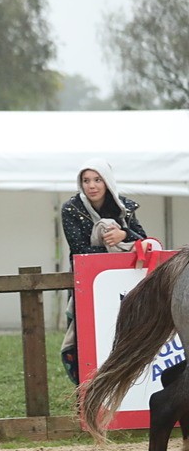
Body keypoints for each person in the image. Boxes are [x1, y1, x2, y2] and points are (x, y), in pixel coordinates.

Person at [59, 159, 147, 383]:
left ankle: (128, 383)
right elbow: (79, 250)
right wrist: (112, 246)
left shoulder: (123, 207)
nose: (92, 186)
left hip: (124, 283)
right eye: (86, 180)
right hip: (88, 284)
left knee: (125, 333)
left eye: (97, 180)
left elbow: (145, 242)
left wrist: (123, 235)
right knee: (88, 337)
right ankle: (88, 387)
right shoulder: (72, 209)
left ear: (107, 182)